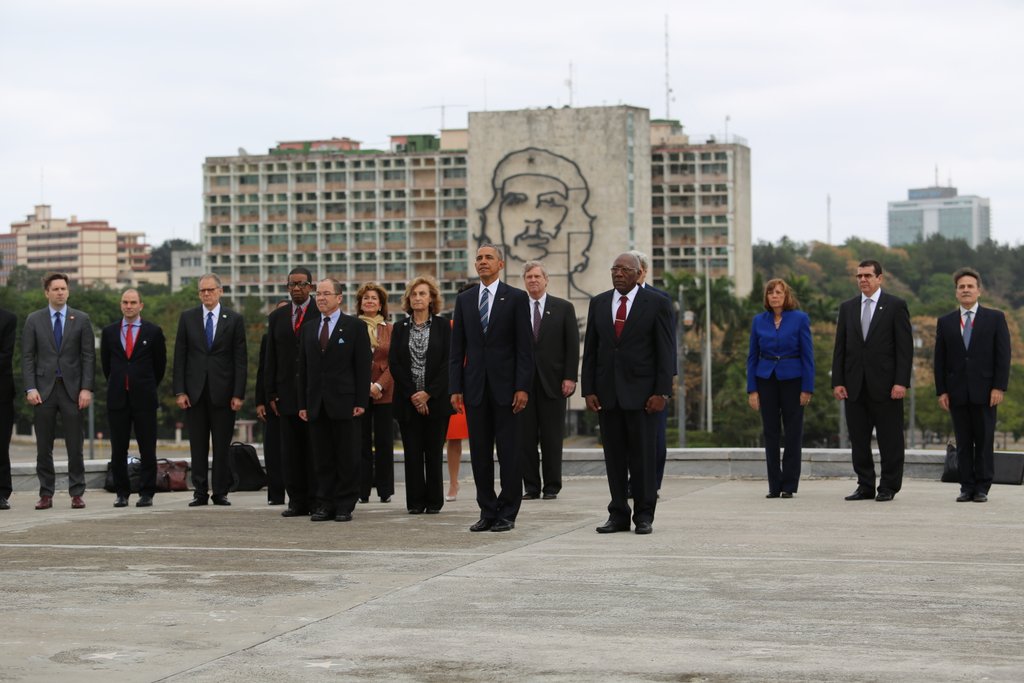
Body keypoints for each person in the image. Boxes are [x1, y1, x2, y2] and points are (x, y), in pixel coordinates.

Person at [581, 253, 673, 535]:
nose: (618, 273)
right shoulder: (598, 303)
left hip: (643, 396)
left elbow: (665, 351)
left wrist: (662, 392)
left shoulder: (657, 303)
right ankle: (618, 513)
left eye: (625, 269)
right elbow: (592, 351)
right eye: (615, 269)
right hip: (608, 395)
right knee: (615, 458)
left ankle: (644, 515)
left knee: (643, 457)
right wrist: (589, 390)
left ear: (638, 273)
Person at [450, 244, 534, 532]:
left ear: (501, 264)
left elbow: (525, 348)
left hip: (508, 390)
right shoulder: (465, 300)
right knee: (480, 454)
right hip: (475, 389)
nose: (483, 262)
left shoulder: (516, 298)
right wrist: (455, 387)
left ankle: (508, 511)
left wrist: (522, 386)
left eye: (488, 258)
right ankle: (487, 510)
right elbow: (456, 348)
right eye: (479, 258)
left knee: (510, 453)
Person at [831, 260, 912, 503]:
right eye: (859, 276)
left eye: (868, 275)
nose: (863, 280)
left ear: (879, 279)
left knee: (890, 440)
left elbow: (904, 349)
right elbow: (840, 348)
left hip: (887, 387)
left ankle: (888, 486)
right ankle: (865, 485)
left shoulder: (895, 305)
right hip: (855, 386)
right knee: (859, 440)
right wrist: (838, 381)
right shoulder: (847, 308)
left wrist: (901, 382)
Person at [934, 267, 1011, 503]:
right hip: (957, 392)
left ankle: (982, 487)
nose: (966, 290)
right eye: (961, 287)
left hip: (986, 391)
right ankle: (966, 486)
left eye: (970, 286)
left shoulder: (995, 318)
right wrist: (942, 390)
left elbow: (1003, 355)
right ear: (956, 292)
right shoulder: (945, 322)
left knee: (985, 439)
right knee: (964, 441)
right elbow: (940, 359)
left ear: (979, 291)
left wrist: (999, 387)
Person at [298, 278, 371, 523]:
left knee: (347, 456)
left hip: (345, 402)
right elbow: (304, 370)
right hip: (316, 403)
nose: (320, 298)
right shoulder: (309, 329)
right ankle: (324, 504)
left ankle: (344, 504)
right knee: (322, 458)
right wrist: (303, 404)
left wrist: (361, 399)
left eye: (326, 293)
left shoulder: (354, 327)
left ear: (339, 298)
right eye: (318, 293)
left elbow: (362, 367)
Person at [477, 147, 596, 298]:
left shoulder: (587, 307)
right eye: (515, 201)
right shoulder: (485, 302)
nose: (533, 217)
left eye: (550, 202)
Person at [22, 272, 95, 510]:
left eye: (63, 288)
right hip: (43, 391)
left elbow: (88, 357)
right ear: (47, 293)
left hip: (73, 391)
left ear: (68, 291)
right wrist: (30, 387)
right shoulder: (34, 319)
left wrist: (86, 388)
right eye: (55, 289)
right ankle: (46, 494)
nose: (60, 292)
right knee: (44, 446)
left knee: (75, 445)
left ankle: (77, 492)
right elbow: (27, 357)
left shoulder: (81, 319)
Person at [173, 274, 247, 507]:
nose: (206, 294)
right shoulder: (188, 318)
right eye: (202, 290)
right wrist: (180, 391)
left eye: (210, 290)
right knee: (198, 445)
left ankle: (220, 491)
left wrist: (238, 393)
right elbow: (180, 357)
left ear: (220, 291)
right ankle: (200, 491)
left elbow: (240, 359)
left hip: (224, 393)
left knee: (222, 445)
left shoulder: (234, 319)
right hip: (194, 393)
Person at [746, 278, 814, 499]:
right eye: (770, 292)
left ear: (786, 296)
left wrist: (807, 388)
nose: (774, 296)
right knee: (771, 432)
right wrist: (752, 390)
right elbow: (752, 357)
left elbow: (807, 356)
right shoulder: (759, 321)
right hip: (766, 379)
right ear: (766, 297)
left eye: (778, 292)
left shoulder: (800, 319)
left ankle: (789, 485)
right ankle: (774, 485)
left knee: (793, 432)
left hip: (793, 379)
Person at [100, 289, 167, 508]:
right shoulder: (109, 332)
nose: (128, 306)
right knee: (118, 449)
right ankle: (121, 492)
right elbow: (106, 366)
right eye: (125, 302)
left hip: (144, 399)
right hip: (118, 398)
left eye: (133, 302)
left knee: (147, 447)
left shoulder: (153, 332)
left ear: (141, 305)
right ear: (121, 305)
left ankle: (147, 492)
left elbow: (160, 366)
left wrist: (144, 384)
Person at [390, 276, 451, 514]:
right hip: (408, 402)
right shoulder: (399, 328)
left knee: (433, 453)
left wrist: (428, 394)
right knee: (412, 454)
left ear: (431, 299)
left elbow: (448, 363)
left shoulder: (443, 326)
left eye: (422, 294)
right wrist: (414, 395)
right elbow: (395, 364)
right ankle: (415, 503)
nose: (417, 298)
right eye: (414, 294)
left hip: (436, 401)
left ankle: (434, 502)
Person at [520, 260, 578, 500]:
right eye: (529, 277)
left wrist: (570, 377)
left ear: (545, 280)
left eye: (537, 276)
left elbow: (572, 346)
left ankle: (552, 487)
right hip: (523, 386)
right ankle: (531, 487)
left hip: (554, 383)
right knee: (525, 439)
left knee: (552, 438)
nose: (533, 280)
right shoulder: (517, 307)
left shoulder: (563, 308)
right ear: (524, 281)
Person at [264, 267, 320, 518]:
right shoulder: (278, 317)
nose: (296, 289)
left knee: (314, 450)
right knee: (290, 452)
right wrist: (271, 393)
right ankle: (296, 500)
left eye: (301, 284)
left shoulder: (321, 313)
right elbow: (271, 358)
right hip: (285, 394)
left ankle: (317, 499)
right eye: (292, 285)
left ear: (311, 287)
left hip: (313, 394)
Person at [631, 250, 675, 493]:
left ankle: (652, 483)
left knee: (655, 436)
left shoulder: (661, 299)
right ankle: (632, 482)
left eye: (632, 270)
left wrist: (666, 382)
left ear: (643, 272)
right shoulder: (612, 301)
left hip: (654, 380)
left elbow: (669, 344)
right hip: (625, 381)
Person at [355, 281, 395, 504]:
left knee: (384, 441)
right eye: (366, 298)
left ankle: (385, 490)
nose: (369, 301)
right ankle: (362, 490)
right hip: (359, 393)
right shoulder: (352, 326)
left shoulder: (391, 329)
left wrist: (378, 386)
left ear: (380, 305)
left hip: (384, 392)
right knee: (360, 442)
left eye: (374, 298)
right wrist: (365, 387)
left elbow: (394, 362)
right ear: (360, 304)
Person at [255, 300, 290, 506]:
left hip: (296, 399)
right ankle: (275, 494)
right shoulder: (268, 338)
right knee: (273, 449)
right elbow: (263, 370)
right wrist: (261, 400)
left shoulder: (305, 332)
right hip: (272, 399)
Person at [0, 306, 15, 510]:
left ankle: (2, 492)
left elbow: (6, 355)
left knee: (1, 444)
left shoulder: (8, 319)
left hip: (1, 392)